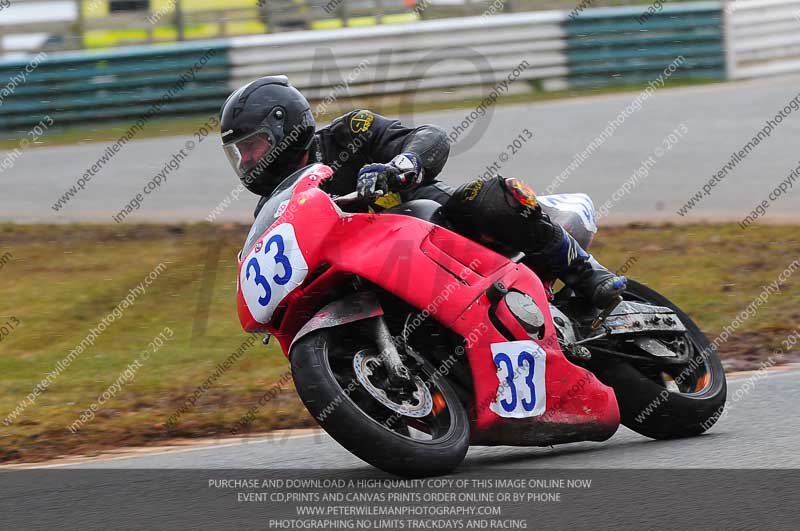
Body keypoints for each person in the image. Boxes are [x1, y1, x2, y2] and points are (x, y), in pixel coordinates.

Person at [220, 76, 626, 308]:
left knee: (490, 197)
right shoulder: (273, 208)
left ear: (282, 127)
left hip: (441, 227)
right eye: (239, 154)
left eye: (252, 147)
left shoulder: (351, 132)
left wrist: (404, 165)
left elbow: (426, 136)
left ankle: (586, 272)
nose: (247, 161)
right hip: (382, 275)